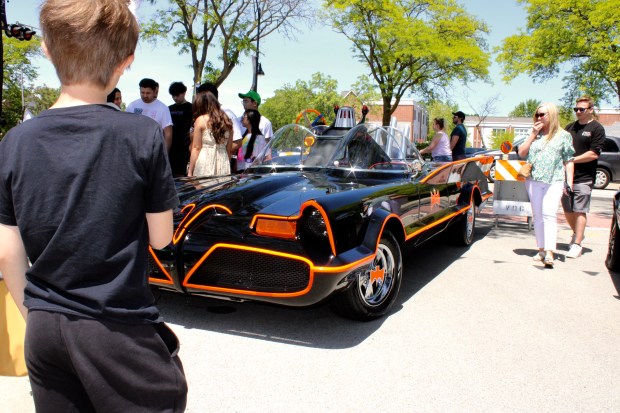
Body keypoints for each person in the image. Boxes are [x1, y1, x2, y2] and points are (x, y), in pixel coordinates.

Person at [0, 1, 188, 411]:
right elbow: (161, 238)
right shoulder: (141, 134)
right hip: (116, 324)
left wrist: (33, 315)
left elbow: (6, 248)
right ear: (127, 62)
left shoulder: (15, 141)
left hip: (44, 327)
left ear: (47, 50)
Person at [517, 102, 574, 268]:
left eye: (543, 114)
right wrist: (532, 134)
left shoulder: (563, 135)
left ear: (552, 115)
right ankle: (541, 249)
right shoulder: (535, 134)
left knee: (549, 213)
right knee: (538, 216)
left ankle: (550, 251)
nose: (539, 117)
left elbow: (569, 160)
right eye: (537, 114)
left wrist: (569, 182)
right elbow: (522, 152)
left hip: (554, 180)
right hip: (533, 179)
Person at [561, 96, 606, 259]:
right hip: (566, 175)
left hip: (585, 177)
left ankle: (577, 243)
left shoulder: (596, 128)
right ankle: (576, 233)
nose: (578, 112)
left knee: (579, 210)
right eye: (576, 109)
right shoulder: (569, 127)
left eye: (582, 109)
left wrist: (573, 159)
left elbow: (594, 154)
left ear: (591, 110)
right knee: (567, 209)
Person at [196, 83, 243, 172]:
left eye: (199, 96)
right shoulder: (201, 115)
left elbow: (237, 142)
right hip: (201, 166)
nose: (197, 99)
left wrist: (219, 154)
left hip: (222, 165)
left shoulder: (228, 114)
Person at [188, 91, 233, 177]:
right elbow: (229, 149)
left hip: (205, 162)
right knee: (222, 189)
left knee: (203, 188)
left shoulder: (201, 120)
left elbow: (196, 148)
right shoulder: (227, 121)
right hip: (223, 161)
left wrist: (190, 170)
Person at [126, 78, 174, 151]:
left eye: (148, 93)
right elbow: (125, 128)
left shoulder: (163, 108)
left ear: (154, 92)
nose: (145, 95)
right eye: (142, 92)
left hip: (154, 150)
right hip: (134, 149)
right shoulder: (132, 106)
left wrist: (165, 155)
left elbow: (168, 134)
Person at [168, 82, 193, 177]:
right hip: (171, 147)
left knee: (181, 176)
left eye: (177, 95)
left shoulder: (191, 108)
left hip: (185, 148)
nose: (175, 98)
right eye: (173, 96)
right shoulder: (169, 108)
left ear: (184, 93)